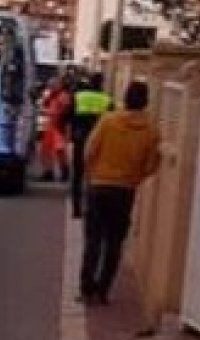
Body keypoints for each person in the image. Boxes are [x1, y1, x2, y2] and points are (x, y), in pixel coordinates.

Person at [79, 81, 161, 305]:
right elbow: (152, 164)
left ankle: (87, 289)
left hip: (99, 185)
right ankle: (104, 290)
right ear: (145, 102)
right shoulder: (151, 132)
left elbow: (89, 150)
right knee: (114, 242)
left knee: (93, 240)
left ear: (125, 98)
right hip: (125, 190)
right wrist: (135, 178)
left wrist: (91, 174)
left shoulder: (108, 121)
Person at [69, 72, 112, 218]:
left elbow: (68, 116)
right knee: (95, 176)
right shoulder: (107, 100)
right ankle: (92, 209)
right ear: (101, 83)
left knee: (78, 175)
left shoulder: (79, 97)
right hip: (100, 143)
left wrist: (72, 130)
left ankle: (76, 209)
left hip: (80, 140)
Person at [38, 77, 71, 181]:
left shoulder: (63, 96)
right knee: (46, 150)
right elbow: (45, 105)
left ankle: (64, 171)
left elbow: (66, 110)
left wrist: (62, 123)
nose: (51, 87)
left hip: (58, 126)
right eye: (50, 86)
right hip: (50, 125)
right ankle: (48, 172)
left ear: (59, 85)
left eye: (53, 85)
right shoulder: (52, 96)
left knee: (60, 150)